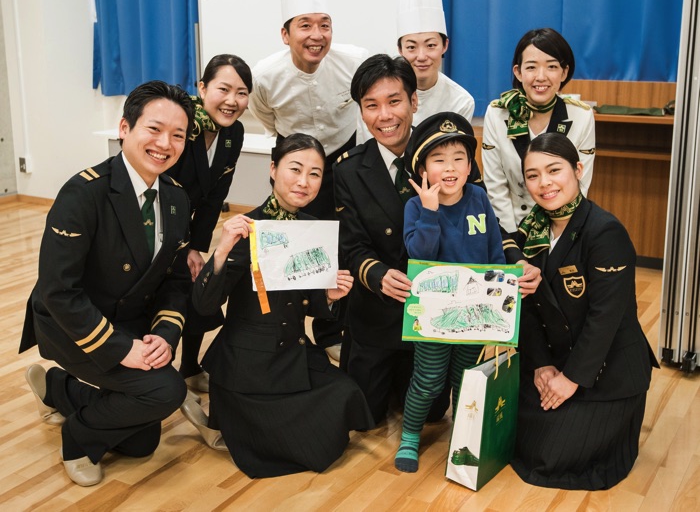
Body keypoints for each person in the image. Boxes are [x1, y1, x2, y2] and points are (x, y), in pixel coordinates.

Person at [19, 81, 194, 487]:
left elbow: (175, 279)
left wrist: (165, 334)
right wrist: (122, 348)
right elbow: (59, 291)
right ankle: (77, 438)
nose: (165, 143)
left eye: (178, 135)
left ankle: (59, 390)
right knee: (166, 391)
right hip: (73, 324)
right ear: (124, 128)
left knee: (142, 442)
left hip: (128, 318)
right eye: (154, 129)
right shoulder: (84, 193)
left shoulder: (175, 198)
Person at [179, 133, 374, 478]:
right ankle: (220, 420)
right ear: (273, 169)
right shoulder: (248, 229)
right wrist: (221, 249)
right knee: (298, 448)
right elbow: (204, 304)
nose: (304, 182)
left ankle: (225, 421)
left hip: (293, 350)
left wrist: (329, 296)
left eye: (314, 173)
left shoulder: (315, 230)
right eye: (295, 169)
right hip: (248, 361)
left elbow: (307, 302)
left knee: (346, 397)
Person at [511, 132, 658, 490]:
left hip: (606, 366)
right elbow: (529, 308)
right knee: (516, 434)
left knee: (553, 457)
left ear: (578, 169)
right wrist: (542, 364)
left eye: (554, 170)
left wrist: (571, 379)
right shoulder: (532, 231)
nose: (544, 183)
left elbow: (605, 319)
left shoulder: (604, 231)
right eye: (532, 175)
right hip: (558, 355)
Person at [248, 0, 368, 356]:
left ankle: (333, 328)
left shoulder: (354, 62)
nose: (317, 35)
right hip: (294, 164)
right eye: (305, 25)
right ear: (285, 34)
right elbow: (266, 115)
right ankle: (286, 324)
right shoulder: (265, 74)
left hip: (343, 159)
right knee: (293, 243)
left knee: (343, 242)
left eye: (324, 24)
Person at [394, 112, 506, 473]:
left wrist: (501, 298)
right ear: (423, 167)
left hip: (475, 314)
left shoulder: (479, 198)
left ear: (470, 164)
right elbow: (420, 255)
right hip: (432, 317)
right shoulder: (415, 206)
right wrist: (430, 211)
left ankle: (462, 437)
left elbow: (495, 253)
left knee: (465, 380)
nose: (450, 167)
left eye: (459, 158)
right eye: (439, 160)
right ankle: (410, 436)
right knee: (428, 381)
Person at [166, 54, 252, 393]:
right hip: (157, 221)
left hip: (187, 229)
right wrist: (183, 246)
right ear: (202, 87)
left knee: (200, 280)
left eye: (242, 92)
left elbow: (216, 195)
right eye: (224, 89)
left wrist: (197, 247)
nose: (232, 101)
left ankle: (189, 365)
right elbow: (163, 191)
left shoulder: (234, 134)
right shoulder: (180, 124)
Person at [482, 28, 596, 234]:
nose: (541, 77)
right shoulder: (497, 114)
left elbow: (580, 186)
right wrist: (511, 240)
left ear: (564, 72)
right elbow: (495, 186)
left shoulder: (581, 116)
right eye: (532, 67)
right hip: (510, 226)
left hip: (560, 227)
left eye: (552, 66)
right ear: (518, 72)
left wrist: (558, 236)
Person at [396, 0, 475, 125]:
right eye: (411, 47)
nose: (421, 56)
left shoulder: (460, 101)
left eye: (430, 45)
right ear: (400, 49)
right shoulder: (383, 93)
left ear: (445, 45)